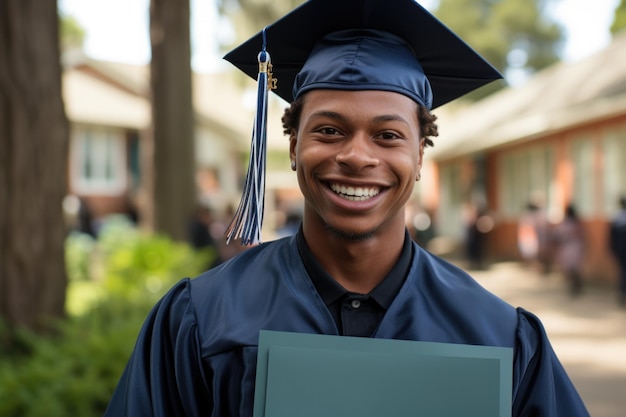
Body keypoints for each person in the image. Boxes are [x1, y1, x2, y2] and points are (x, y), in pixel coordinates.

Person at [103, 0, 590, 416]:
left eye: (387, 135)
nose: (357, 156)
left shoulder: (500, 335)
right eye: (329, 130)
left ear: (420, 154)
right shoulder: (200, 319)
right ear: (293, 146)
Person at [552, 203, 586, 296]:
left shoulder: (566, 223)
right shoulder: (576, 223)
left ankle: (575, 286)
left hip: (568, 247)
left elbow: (558, 236)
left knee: (571, 268)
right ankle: (576, 286)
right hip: (576, 247)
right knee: (575, 268)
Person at [609, 195, 626, 306]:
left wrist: (613, 249)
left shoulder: (617, 218)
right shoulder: (618, 217)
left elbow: (612, 236)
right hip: (621, 250)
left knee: (623, 271)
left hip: (620, 249)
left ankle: (622, 292)